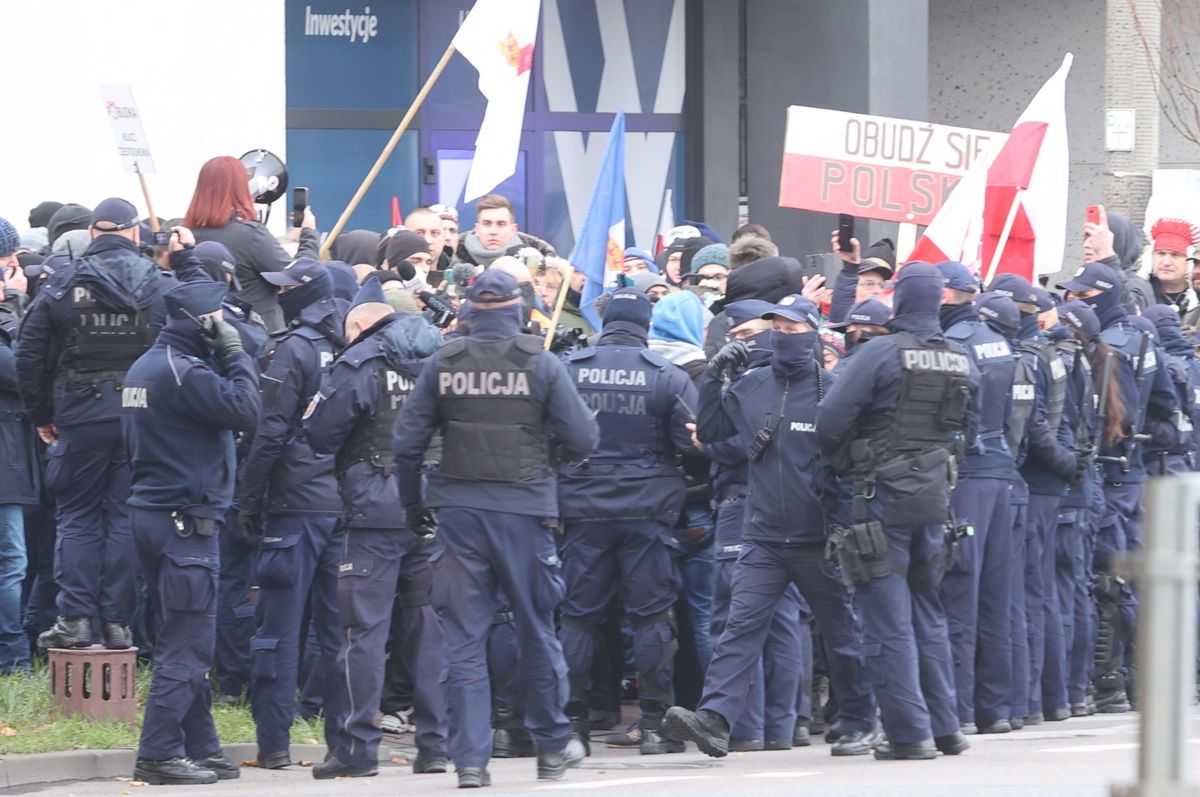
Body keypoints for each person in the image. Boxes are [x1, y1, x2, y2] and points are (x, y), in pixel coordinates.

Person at [392, 269, 598, 787]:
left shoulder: (443, 363)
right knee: (536, 629)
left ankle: (469, 763)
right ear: (518, 310)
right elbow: (584, 438)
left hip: (459, 515)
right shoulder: (541, 364)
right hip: (525, 512)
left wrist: (414, 506)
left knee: (463, 641)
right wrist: (554, 459)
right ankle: (551, 746)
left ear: (467, 311)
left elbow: (406, 444)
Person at [666, 295, 880, 759]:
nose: (783, 338)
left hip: (818, 538)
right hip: (762, 534)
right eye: (776, 330)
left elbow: (850, 465)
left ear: (813, 332)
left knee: (841, 633)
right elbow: (711, 429)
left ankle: (861, 719)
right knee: (739, 627)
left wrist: (844, 528)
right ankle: (715, 720)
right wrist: (715, 377)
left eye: (792, 330)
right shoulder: (751, 384)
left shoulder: (833, 388)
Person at [817, 263, 979, 760]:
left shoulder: (880, 353)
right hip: (935, 500)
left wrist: (849, 461)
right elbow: (968, 432)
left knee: (887, 619)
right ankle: (945, 728)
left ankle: (909, 735)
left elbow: (829, 421)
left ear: (901, 301)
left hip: (878, 499)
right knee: (928, 613)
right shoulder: (959, 357)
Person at [16, 198, 187, 652]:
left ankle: (74, 620)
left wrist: (42, 417)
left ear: (92, 234)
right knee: (124, 517)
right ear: (134, 234)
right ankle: (118, 625)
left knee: (76, 518)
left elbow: (28, 357)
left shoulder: (60, 285)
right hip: (141, 417)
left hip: (78, 415)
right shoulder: (159, 284)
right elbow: (186, 348)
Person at [303, 279, 449, 779]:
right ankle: (435, 745)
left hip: (373, 515)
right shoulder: (442, 358)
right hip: (434, 509)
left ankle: (356, 749)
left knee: (362, 632)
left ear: (362, 323)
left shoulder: (360, 363)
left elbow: (319, 433)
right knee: (428, 628)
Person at [122, 279, 260, 785]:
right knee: (189, 643)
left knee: (182, 633)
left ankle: (201, 747)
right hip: (185, 523)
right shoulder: (186, 372)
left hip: (155, 517)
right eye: (219, 316)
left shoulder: (147, 365)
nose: (226, 322)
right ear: (198, 321)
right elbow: (248, 410)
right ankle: (158, 753)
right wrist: (236, 354)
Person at [556, 289, 700, 754]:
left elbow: (547, 439)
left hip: (582, 511)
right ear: (645, 322)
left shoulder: (570, 370)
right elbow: (694, 446)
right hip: (648, 512)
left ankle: (572, 725)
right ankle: (656, 725)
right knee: (653, 617)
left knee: (577, 618)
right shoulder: (668, 377)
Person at [235, 258, 347, 769]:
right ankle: (345, 744)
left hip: (294, 507)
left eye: (287, 289)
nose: (279, 297)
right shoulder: (353, 349)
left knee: (277, 629)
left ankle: (275, 744)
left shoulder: (290, 351)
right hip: (342, 506)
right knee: (339, 632)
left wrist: (248, 500)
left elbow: (269, 433)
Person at [691, 298, 812, 751]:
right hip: (785, 507)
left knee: (736, 618)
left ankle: (746, 728)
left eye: (743, 335)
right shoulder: (797, 378)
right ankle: (780, 727)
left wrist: (706, 442)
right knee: (780, 619)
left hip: (746, 504)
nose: (736, 344)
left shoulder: (756, 381)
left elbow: (743, 443)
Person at [1057, 261, 1178, 712]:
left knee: (1109, 581)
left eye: (1082, 296)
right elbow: (1169, 413)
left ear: (1102, 297)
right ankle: (1140, 679)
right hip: (1134, 474)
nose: (1072, 300)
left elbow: (1111, 418)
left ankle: (1110, 682)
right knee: (1130, 578)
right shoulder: (1145, 338)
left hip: (1109, 473)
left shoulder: (1109, 346)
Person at [932, 265, 1019, 735]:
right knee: (994, 595)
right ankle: (996, 708)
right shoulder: (996, 340)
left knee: (959, 592)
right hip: (999, 470)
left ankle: (961, 709)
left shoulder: (958, 342)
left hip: (967, 472)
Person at [185, 156, 319, 332]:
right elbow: (297, 276)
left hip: (200, 332)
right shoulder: (249, 234)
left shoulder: (186, 235)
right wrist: (308, 234)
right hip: (254, 335)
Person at [0, 259, 39, 673]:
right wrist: (15, 305)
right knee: (11, 561)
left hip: (9, 464)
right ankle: (12, 656)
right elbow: (24, 373)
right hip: (5, 469)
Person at [455, 194, 556, 268]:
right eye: (487, 224)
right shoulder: (454, 258)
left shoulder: (538, 262)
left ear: (513, 230)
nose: (493, 231)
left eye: (501, 224)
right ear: (476, 229)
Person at [1146, 218, 1200, 321]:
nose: (1166, 262)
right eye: (1161, 254)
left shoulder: (1197, 296)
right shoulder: (1141, 295)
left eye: (1175, 255)